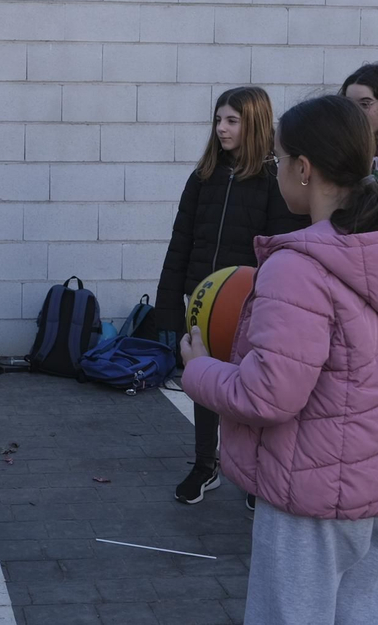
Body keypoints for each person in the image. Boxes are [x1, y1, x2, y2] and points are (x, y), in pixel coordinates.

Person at [179, 95, 378, 625]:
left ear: (303, 168)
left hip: (310, 493)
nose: (274, 171)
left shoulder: (297, 265)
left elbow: (268, 395)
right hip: (377, 488)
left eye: (279, 158)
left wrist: (199, 369)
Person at [155, 86, 307, 504]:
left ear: (254, 124)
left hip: (254, 307)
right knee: (203, 378)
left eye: (232, 121)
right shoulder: (203, 177)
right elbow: (179, 243)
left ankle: (257, 477)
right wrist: (168, 306)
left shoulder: (274, 181)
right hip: (203, 304)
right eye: (218, 120)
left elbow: (282, 251)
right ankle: (206, 465)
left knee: (255, 388)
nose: (221, 128)